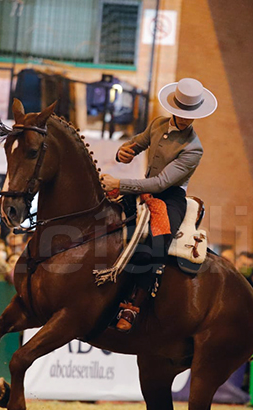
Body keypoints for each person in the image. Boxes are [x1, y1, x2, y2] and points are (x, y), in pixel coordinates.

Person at [99, 77, 216, 332]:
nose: (185, 119)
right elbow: (136, 144)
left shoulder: (194, 148)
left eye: (190, 115)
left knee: (157, 245)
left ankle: (133, 305)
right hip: (143, 188)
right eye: (182, 112)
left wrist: (119, 183)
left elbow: (161, 183)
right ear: (174, 108)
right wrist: (123, 152)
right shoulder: (157, 124)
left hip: (170, 197)